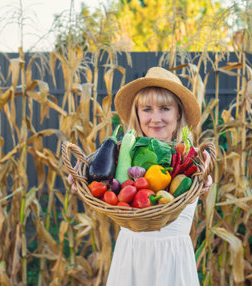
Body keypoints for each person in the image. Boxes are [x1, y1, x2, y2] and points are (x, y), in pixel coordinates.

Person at [69, 67, 212, 286]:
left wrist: (205, 184)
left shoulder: (191, 157)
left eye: (165, 108)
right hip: (131, 258)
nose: (155, 118)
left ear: (178, 113)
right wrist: (82, 183)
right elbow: (102, 190)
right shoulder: (120, 153)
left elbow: (202, 184)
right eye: (147, 109)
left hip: (173, 260)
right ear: (137, 113)